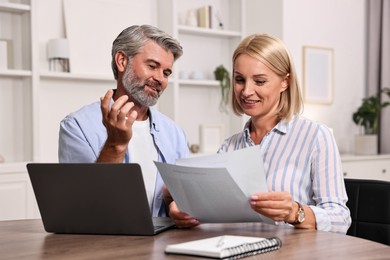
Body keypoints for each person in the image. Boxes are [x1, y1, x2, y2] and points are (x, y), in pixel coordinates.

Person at [164, 34, 351, 234]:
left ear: (285, 82)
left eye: (259, 81)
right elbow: (216, 216)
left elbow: (340, 219)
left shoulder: (315, 137)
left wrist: (295, 213)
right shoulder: (229, 146)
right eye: (239, 80)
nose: (246, 91)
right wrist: (186, 213)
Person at [58, 25, 189, 217]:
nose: (160, 79)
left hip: (164, 243)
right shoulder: (77, 127)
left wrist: (177, 206)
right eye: (152, 66)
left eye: (167, 73)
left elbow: (181, 199)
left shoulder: (175, 133)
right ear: (121, 61)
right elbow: (81, 207)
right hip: (105, 245)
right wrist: (115, 145)